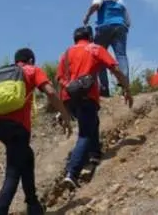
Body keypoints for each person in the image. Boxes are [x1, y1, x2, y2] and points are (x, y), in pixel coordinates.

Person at [0, 47, 72, 215]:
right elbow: (51, 92)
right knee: (13, 172)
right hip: (18, 128)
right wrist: (65, 114)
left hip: (1, 128)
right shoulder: (32, 70)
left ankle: (34, 206)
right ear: (31, 60)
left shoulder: (4, 76)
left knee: (27, 156)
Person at [57, 26, 134, 190]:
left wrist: (63, 105)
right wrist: (126, 89)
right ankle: (72, 173)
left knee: (93, 122)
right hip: (86, 97)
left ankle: (94, 154)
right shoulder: (95, 48)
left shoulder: (65, 54)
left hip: (69, 98)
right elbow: (115, 69)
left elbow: (59, 79)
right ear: (90, 37)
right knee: (85, 133)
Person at [81, 0, 131, 98]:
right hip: (121, 27)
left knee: (99, 57)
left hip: (105, 27)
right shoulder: (121, 0)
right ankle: (125, 85)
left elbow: (96, 5)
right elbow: (128, 21)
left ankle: (104, 88)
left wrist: (87, 16)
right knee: (121, 55)